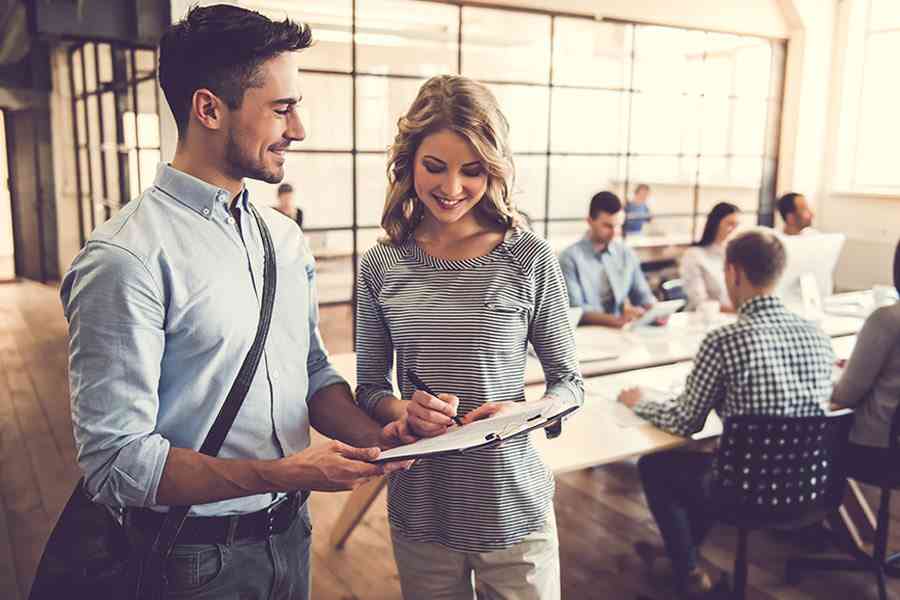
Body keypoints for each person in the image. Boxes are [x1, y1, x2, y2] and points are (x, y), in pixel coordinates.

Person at [59, 6, 411, 599]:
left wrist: (386, 433)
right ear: (208, 109)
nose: (298, 129)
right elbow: (116, 462)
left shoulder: (283, 237)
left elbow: (312, 374)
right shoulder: (125, 258)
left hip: (289, 536)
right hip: (187, 560)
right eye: (281, 108)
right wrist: (281, 472)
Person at [354, 75, 584, 600]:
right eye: (435, 167)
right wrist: (401, 414)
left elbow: (570, 384)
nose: (452, 188)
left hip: (512, 503)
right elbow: (369, 386)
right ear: (407, 162)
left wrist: (520, 413)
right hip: (420, 505)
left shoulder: (529, 257)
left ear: (493, 170)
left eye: (472, 170)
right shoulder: (381, 263)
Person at [618, 229, 835, 599]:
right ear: (779, 273)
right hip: (811, 487)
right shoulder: (817, 336)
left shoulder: (725, 341)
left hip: (746, 490)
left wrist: (640, 402)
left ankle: (686, 568)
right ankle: (680, 551)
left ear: (733, 273)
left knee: (656, 465)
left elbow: (686, 422)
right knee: (706, 458)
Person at [831, 240, 900, 483]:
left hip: (879, 450)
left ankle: (804, 514)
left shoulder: (887, 320)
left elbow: (845, 395)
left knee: (809, 442)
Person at [559, 191, 656, 328]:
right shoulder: (569, 258)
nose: (614, 233)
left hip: (620, 333)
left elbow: (643, 295)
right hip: (587, 334)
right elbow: (576, 309)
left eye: (618, 226)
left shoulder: (626, 254)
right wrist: (617, 320)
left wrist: (654, 311)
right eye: (607, 226)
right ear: (590, 221)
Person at [679, 202, 740, 312]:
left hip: (732, 318)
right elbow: (699, 302)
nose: (734, 230)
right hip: (702, 320)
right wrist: (736, 311)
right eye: (730, 224)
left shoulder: (735, 254)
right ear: (715, 223)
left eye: (737, 226)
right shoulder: (694, 255)